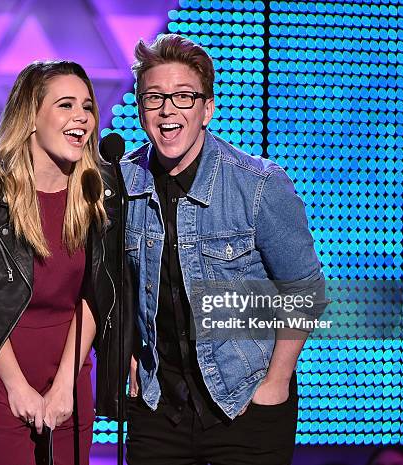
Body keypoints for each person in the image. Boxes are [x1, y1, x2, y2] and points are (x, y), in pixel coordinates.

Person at [121, 34, 327, 464]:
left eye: (183, 97)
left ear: (207, 109)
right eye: (154, 97)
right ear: (140, 110)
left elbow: (304, 290)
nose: (167, 110)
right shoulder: (123, 185)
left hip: (246, 401)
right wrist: (130, 364)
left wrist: (277, 381)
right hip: (160, 408)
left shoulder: (257, 185)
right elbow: (114, 288)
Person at [0, 60, 125, 465]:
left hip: (70, 367)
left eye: (87, 106)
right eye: (65, 105)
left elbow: (96, 294)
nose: (82, 117)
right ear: (31, 118)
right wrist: (17, 388)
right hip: (1, 372)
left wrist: (65, 385)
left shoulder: (100, 190)